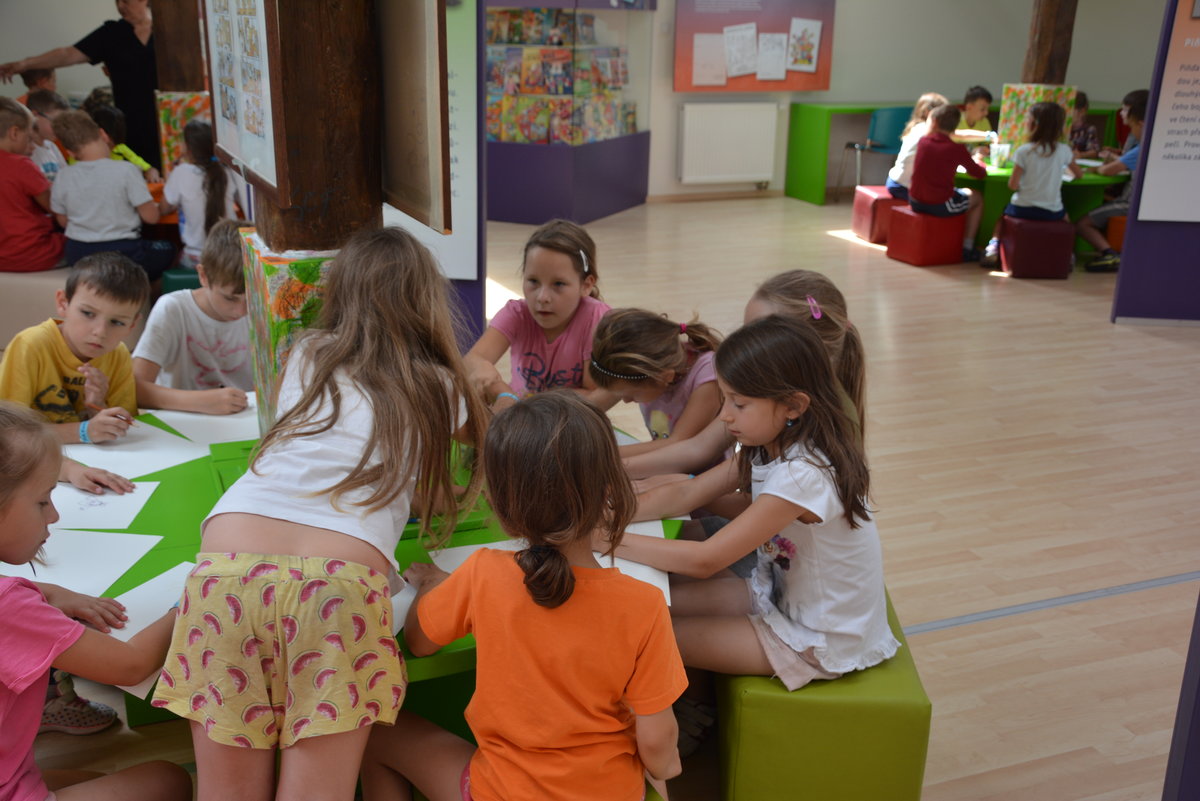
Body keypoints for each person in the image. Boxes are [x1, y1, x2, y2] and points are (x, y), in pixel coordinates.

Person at [150, 226, 487, 801]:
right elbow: (483, 442)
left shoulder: (307, 353)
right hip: (338, 584)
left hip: (226, 567)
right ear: (427, 301)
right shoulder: (441, 384)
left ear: (341, 292)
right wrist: (488, 388)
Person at [360, 391, 687, 801]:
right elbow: (656, 741)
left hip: (502, 792)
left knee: (375, 734)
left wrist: (432, 583)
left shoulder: (482, 572)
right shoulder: (644, 604)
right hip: (611, 791)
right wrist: (665, 770)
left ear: (498, 502)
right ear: (611, 489)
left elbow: (420, 642)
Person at [604, 316, 898, 700]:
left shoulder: (804, 474)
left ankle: (692, 717)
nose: (725, 415)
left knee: (644, 634)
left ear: (793, 405)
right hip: (773, 593)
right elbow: (687, 494)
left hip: (817, 637)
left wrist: (601, 536)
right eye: (725, 398)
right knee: (645, 606)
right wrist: (606, 512)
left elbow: (706, 560)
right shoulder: (768, 443)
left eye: (739, 403)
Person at [0, 401, 192, 801]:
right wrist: (187, 604)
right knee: (168, 780)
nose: (53, 516)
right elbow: (130, 665)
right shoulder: (9, 608)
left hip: (12, 766)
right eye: (42, 501)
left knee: (93, 776)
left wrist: (53, 594)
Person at [625, 269, 866, 482]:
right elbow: (700, 450)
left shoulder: (822, 429)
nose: (746, 343)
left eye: (759, 334)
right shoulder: (764, 392)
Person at [464, 219, 611, 411]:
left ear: (586, 285)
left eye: (558, 284)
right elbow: (471, 360)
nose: (542, 297)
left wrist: (514, 400)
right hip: (523, 415)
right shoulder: (516, 313)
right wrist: (486, 373)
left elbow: (592, 395)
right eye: (533, 281)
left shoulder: (597, 320)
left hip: (573, 419)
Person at [0, 251, 146, 444]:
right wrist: (83, 431)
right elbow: (8, 431)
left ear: (132, 325)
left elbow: (122, 425)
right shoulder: (30, 345)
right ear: (63, 303)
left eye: (117, 322)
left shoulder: (118, 354)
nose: (100, 332)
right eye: (88, 313)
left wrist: (97, 406)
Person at [0, 0, 162, 171]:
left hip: (166, 119)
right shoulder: (112, 33)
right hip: (130, 123)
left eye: (126, 1)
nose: (120, 6)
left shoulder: (167, 28)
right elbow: (67, 54)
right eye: (117, 1)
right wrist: (24, 64)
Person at [132, 219, 252, 415]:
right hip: (184, 419)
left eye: (252, 299)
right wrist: (202, 402)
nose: (241, 311)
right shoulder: (173, 309)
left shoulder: (263, 309)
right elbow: (135, 388)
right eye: (230, 298)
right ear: (203, 276)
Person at [49, 110, 173, 281]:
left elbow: (63, 221)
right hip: (124, 252)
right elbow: (151, 218)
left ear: (70, 152)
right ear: (103, 134)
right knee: (170, 249)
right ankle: (146, 292)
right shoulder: (126, 170)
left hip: (78, 253)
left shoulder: (63, 175)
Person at [589, 308, 723, 457]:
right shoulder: (647, 369)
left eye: (631, 395)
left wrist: (597, 454)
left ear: (665, 377)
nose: (625, 400)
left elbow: (678, 443)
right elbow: (587, 409)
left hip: (699, 465)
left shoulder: (707, 376)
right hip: (666, 461)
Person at [981, 102, 1082, 268]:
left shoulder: (1024, 151)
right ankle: (1068, 253)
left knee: (1002, 218)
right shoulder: (1064, 150)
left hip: (1023, 208)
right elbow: (1078, 174)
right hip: (1052, 211)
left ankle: (993, 247)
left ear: (1034, 124)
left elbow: (1012, 185)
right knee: (1066, 218)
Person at [1076, 92, 1146, 273]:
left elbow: (1108, 170)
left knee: (1082, 223)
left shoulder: (1142, 147)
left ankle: (1109, 253)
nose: (1121, 113)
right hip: (1139, 201)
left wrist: (1098, 168)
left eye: (1125, 110)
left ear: (1140, 122)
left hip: (1129, 202)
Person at [908, 104, 987, 261]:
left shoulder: (923, 142)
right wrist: (979, 160)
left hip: (915, 200)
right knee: (977, 197)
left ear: (934, 122)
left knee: (958, 191)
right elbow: (979, 174)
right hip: (939, 204)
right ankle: (967, 247)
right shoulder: (956, 148)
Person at [159, 120, 239, 269]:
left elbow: (163, 209)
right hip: (230, 255)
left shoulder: (181, 172)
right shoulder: (226, 171)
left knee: (172, 260)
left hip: (196, 257)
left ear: (188, 148)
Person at [0, 97, 65, 272]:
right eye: (29, 138)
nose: (33, 147)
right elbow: (56, 207)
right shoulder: (21, 165)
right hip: (31, 255)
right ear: (14, 133)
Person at [885, 92, 949, 200]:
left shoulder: (917, 127)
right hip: (904, 187)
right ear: (928, 112)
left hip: (896, 182)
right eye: (943, 114)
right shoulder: (926, 131)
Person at [90, 103, 160, 181]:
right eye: (108, 144)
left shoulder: (120, 148)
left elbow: (146, 168)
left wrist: (151, 171)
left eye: (113, 145)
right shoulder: (83, 156)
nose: (111, 149)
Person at [1069, 91, 1102, 159]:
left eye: (1071, 109)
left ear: (1082, 111)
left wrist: (1082, 154)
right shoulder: (1059, 127)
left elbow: (1095, 151)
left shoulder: (1089, 129)